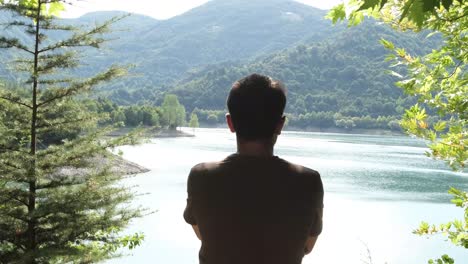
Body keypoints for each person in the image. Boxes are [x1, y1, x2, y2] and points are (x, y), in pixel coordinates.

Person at [183, 73, 324, 264]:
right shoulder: (308, 181)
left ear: (230, 123)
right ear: (280, 124)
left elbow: (203, 235)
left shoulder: (202, 176)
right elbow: (307, 246)